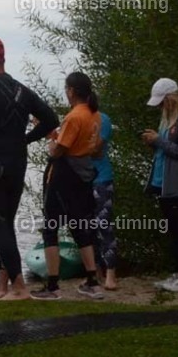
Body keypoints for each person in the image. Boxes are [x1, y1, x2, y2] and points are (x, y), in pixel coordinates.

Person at [0, 36, 59, 301]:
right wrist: (24, 139)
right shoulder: (23, 91)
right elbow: (51, 119)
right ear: (2, 60)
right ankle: (2, 284)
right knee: (5, 224)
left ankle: (19, 287)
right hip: (17, 163)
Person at [31, 72, 105, 300]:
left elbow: (59, 150)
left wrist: (51, 142)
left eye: (66, 89)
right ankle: (92, 281)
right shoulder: (95, 115)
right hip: (83, 176)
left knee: (50, 228)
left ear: (71, 91)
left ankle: (53, 286)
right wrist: (51, 133)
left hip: (62, 177)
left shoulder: (74, 116)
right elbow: (85, 145)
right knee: (80, 226)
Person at [141, 78, 178, 294]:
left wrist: (158, 140)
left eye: (161, 102)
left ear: (170, 99)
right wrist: (153, 143)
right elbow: (166, 150)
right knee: (174, 230)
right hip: (164, 184)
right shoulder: (168, 119)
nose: (159, 106)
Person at [93, 111, 119, 290]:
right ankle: (95, 272)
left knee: (104, 225)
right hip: (81, 179)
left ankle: (111, 274)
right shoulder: (74, 117)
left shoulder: (103, 119)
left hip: (101, 179)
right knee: (85, 228)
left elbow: (97, 149)